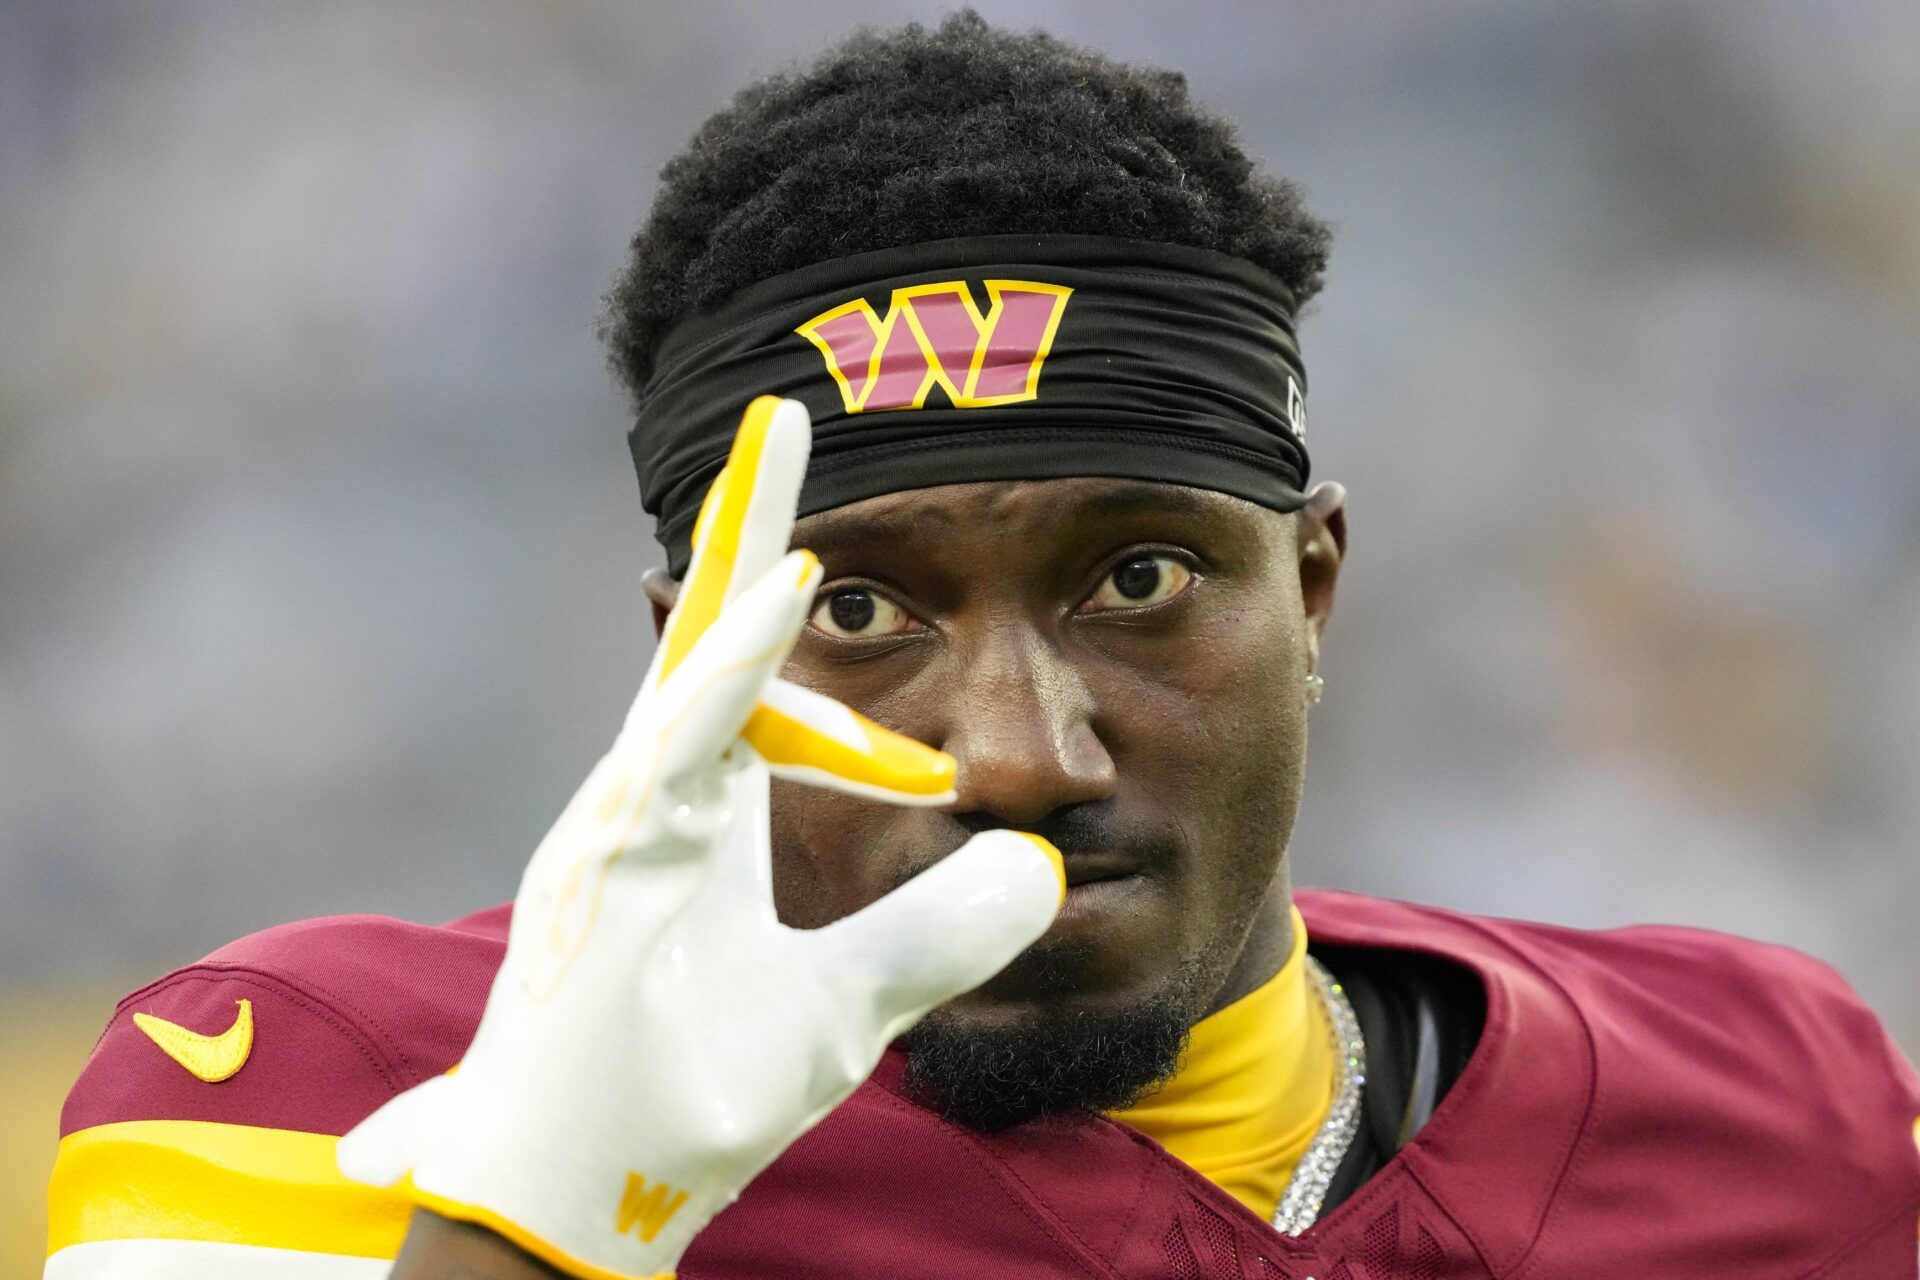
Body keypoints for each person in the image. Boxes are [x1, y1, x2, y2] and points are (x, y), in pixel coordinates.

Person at [45, 13, 1920, 1279]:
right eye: (855, 610)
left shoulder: (1782, 1104)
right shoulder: (331, 1080)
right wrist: (528, 1216)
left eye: (1139, 582)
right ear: (684, 665)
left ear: (1318, 589)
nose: (1021, 756)